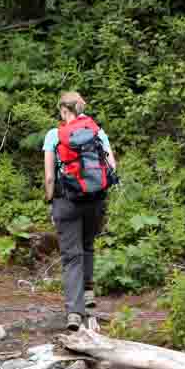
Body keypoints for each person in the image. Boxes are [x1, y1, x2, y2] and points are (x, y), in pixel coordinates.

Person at [44, 91, 118, 331]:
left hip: (67, 201)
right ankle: (88, 296)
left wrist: (50, 201)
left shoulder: (54, 135)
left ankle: (75, 314)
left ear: (64, 111)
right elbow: (112, 165)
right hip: (95, 200)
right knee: (87, 246)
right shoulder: (98, 132)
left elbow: (48, 177)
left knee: (71, 256)